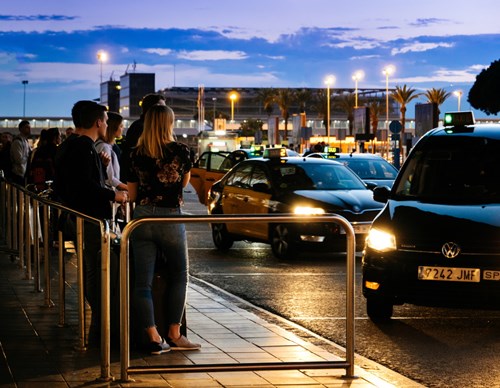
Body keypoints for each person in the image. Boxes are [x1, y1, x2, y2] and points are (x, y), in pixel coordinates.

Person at [127, 104, 200, 354]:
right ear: (169, 123)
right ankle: (175, 333)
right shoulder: (181, 151)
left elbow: (133, 194)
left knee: (142, 283)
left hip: (142, 219)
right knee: (180, 274)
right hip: (170, 218)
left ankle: (153, 336)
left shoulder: (135, 153)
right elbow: (185, 183)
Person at [54, 100, 127, 346]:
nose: (107, 124)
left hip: (79, 216)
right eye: (106, 120)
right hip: (89, 218)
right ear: (98, 122)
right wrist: (113, 195)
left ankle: (100, 321)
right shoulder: (82, 147)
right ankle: (100, 321)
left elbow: (79, 180)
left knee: (91, 269)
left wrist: (102, 166)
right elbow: (84, 186)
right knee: (94, 271)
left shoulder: (72, 145)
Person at [120, 93, 166, 182]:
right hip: (141, 181)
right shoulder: (140, 127)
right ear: (153, 108)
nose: (165, 111)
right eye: (162, 108)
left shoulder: (150, 126)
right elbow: (131, 157)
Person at [27, 127, 61, 192]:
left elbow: (32, 167)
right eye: (59, 135)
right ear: (55, 137)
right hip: (53, 183)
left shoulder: (38, 150)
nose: (60, 138)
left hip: (38, 183)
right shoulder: (57, 151)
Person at [10, 120, 32, 185]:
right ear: (21, 129)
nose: (29, 129)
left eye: (29, 127)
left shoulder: (25, 141)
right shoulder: (17, 142)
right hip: (17, 173)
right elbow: (18, 159)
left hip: (23, 173)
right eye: (27, 127)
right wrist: (28, 156)